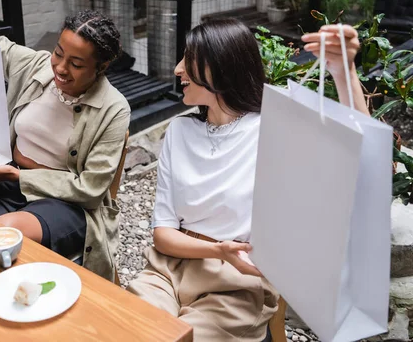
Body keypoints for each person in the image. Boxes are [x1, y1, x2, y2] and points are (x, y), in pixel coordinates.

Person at [127, 19, 368, 341]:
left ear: (221, 66)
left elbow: (361, 153)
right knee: (129, 330)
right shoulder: (180, 131)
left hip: (237, 282)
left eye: (189, 58)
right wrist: (216, 251)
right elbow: (163, 234)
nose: (177, 69)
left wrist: (343, 69)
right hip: (166, 270)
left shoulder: (274, 125)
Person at [0, 0, 130, 282]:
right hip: (8, 189)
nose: (60, 68)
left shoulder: (113, 109)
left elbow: (91, 189)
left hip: (68, 205)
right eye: (59, 53)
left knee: (1, 237)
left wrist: (22, 176)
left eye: (77, 64)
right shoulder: (36, 66)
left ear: (102, 67)